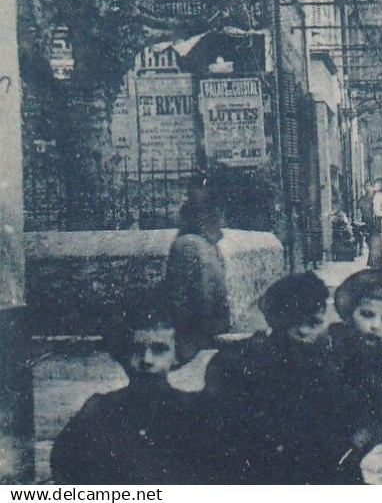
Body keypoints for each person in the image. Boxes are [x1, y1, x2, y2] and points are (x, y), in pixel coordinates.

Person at [204, 272, 340, 483]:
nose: (303, 332)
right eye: (293, 323)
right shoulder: (245, 363)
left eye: (313, 323)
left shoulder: (325, 362)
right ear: (277, 321)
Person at [52, 294, 203, 483]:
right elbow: (64, 465)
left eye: (159, 349)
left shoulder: (193, 411)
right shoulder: (99, 410)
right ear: (123, 352)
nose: (146, 360)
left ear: (177, 355)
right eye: (137, 349)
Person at [328, 269, 382, 483]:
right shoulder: (333, 353)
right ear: (349, 317)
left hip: (354, 453)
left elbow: (378, 417)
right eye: (366, 315)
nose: (375, 326)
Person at [163, 189, 230, 363]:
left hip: (209, 328)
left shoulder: (209, 245)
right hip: (196, 330)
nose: (220, 220)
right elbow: (194, 292)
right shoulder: (189, 245)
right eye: (214, 214)